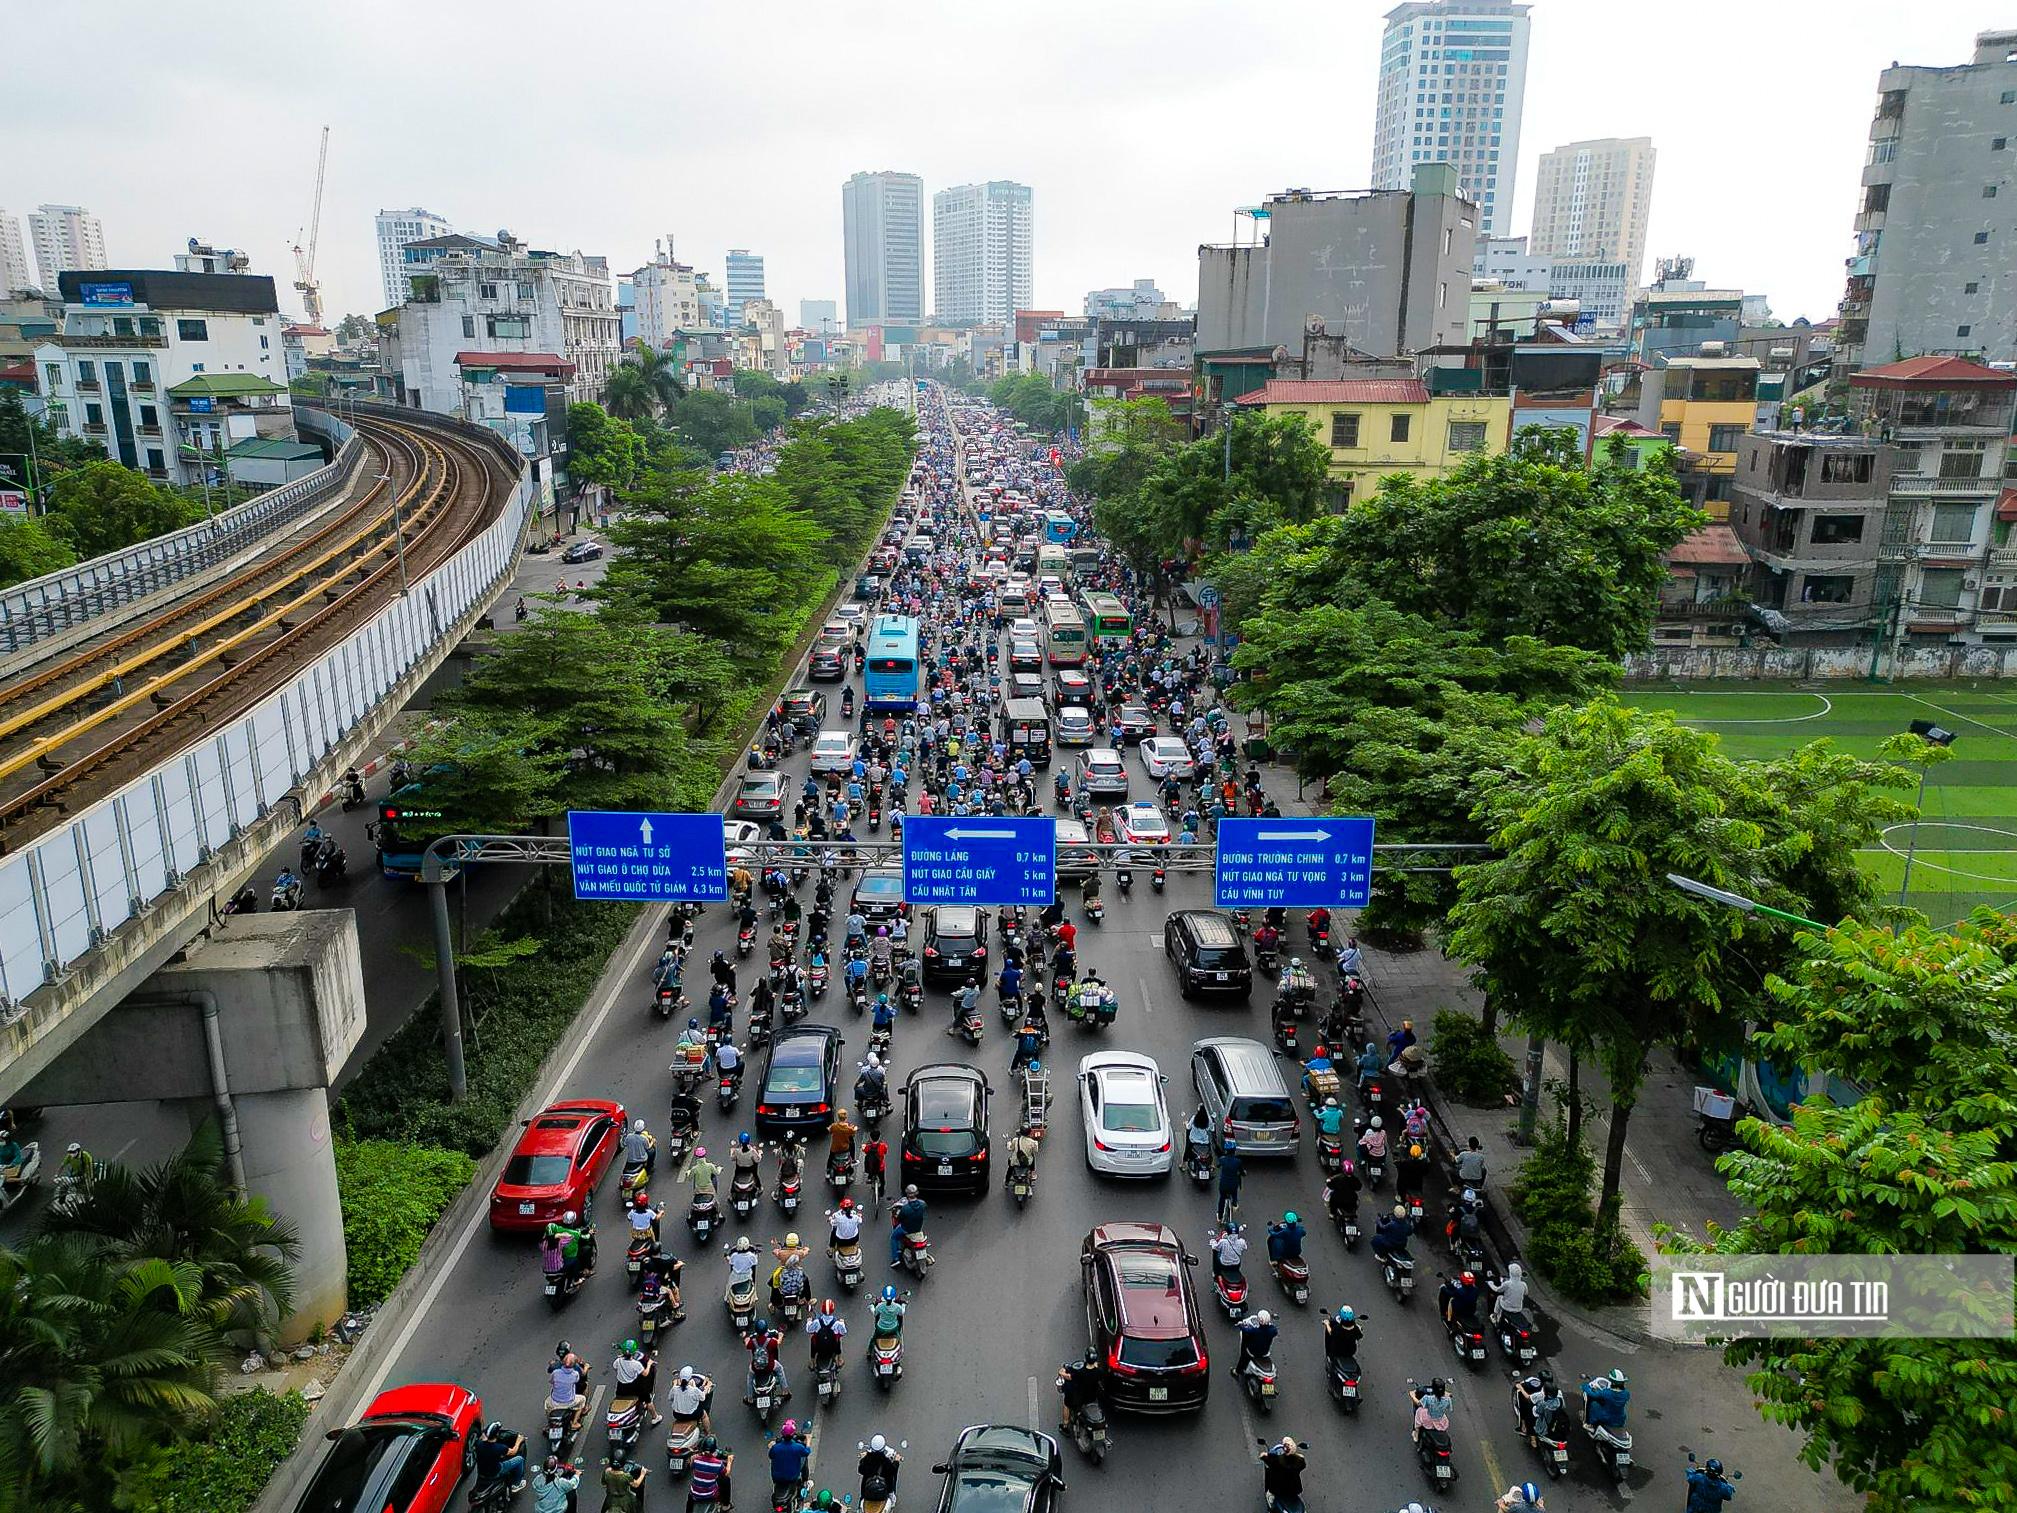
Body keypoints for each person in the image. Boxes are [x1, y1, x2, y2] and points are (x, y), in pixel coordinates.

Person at [1055, 1348, 1106, 1433]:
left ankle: (1065, 1426)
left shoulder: (1080, 1372)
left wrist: (1061, 1373)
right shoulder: (1099, 1372)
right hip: (1092, 1397)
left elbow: (1069, 1376)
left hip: (1078, 1398)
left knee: (1066, 1404)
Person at [473, 1421, 528, 1495]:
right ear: (497, 1434)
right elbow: (513, 1451)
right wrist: (519, 1440)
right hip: (496, 1471)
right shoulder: (500, 1448)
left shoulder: (479, 1444)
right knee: (519, 1459)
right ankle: (516, 1484)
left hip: (482, 1472)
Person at [744, 1319, 790, 1404]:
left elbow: (747, 1344)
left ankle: (749, 1398)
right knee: (780, 1369)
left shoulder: (753, 1341)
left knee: (749, 1377)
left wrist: (745, 1337)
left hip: (756, 1368)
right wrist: (780, 1335)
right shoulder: (771, 1341)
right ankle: (785, 1391)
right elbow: (779, 1342)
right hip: (770, 1366)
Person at [546, 1347, 590, 1433]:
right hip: (569, 1401)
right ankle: (574, 1422)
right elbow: (580, 1379)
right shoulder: (575, 1373)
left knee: (547, 1404)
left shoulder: (555, 1372)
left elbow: (551, 1381)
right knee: (583, 1399)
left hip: (555, 1401)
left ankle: (550, 1424)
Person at [1514, 1370, 1564, 1446]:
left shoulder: (1540, 1397)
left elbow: (1534, 1407)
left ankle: (1531, 1437)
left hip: (1543, 1422)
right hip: (1555, 1417)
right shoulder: (1559, 1395)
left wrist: (1521, 1388)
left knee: (1529, 1415)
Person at [769, 1421, 813, 1505]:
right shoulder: (798, 1447)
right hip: (792, 1477)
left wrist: (771, 1446)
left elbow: (771, 1456)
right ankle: (805, 1481)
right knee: (804, 1458)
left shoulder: (775, 1448)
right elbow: (807, 1451)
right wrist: (808, 1440)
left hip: (776, 1478)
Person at [1259, 1437, 1307, 1510]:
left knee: (1270, 1494)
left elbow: (1264, 1457)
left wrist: (1264, 1455)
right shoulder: (1299, 1460)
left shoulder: (1276, 1460)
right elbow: (1303, 1465)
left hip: (1278, 1488)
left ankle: (1271, 1506)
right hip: (1294, 1488)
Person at [687, 1435, 731, 1513]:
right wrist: (730, 1461)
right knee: (726, 1479)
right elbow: (726, 1473)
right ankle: (725, 1506)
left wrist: (692, 1459)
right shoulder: (718, 1464)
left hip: (694, 1495)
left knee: (690, 1499)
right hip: (710, 1495)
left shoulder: (696, 1460)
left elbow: (691, 1466)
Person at [602, 1443, 649, 1512]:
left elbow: (603, 1484)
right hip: (625, 1501)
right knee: (638, 1508)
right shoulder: (626, 1476)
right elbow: (636, 1484)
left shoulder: (606, 1472)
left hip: (611, 1499)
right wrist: (642, 1473)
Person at [667, 1365, 713, 1434]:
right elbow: (703, 1398)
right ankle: (708, 1433)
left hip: (677, 1415)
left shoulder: (675, 1389)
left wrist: (674, 1385)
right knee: (704, 1415)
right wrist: (708, 1386)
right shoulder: (694, 1390)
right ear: (690, 1378)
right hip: (692, 1414)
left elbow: (669, 1398)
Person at [1233, 1308, 1279, 1377]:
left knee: (1243, 1357)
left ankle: (1237, 1371)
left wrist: (1241, 1325)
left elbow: (1246, 1330)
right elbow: (1274, 1330)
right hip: (1265, 1352)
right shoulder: (1273, 1330)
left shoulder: (1255, 1331)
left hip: (1252, 1352)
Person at [889, 1184, 926, 1267]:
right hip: (918, 1229)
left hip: (906, 1229)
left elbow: (899, 1219)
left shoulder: (905, 1209)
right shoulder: (923, 1204)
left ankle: (895, 1259)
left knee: (893, 1237)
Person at [857, 1435, 902, 1502]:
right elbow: (892, 1470)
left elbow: (860, 1470)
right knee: (891, 1477)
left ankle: (862, 1499)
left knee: (862, 1496)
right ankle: (891, 1495)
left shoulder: (867, 1459)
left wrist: (862, 1459)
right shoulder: (886, 1461)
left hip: (867, 1488)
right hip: (885, 1486)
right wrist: (896, 1461)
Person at [807, 1297, 847, 1369]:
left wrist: (809, 1321)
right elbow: (843, 1332)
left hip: (819, 1348)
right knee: (838, 1339)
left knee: (813, 1339)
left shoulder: (817, 1322)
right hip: (832, 1348)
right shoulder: (837, 1323)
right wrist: (842, 1323)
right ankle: (839, 1359)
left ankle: (813, 1362)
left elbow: (809, 1330)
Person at [1411, 1377, 1454, 1445]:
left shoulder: (1428, 1398)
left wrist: (1412, 1395)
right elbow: (1449, 1406)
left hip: (1428, 1420)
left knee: (1419, 1411)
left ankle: (1416, 1433)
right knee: (1443, 1415)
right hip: (1440, 1420)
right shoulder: (1447, 1399)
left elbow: (1418, 1403)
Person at [1004, 1123, 1041, 1189]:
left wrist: (1008, 1142)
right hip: (1027, 1163)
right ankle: (1032, 1173)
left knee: (1010, 1169)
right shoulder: (1032, 1142)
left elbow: (1010, 1148)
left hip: (1015, 1162)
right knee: (1032, 1155)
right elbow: (1036, 1150)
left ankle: (1006, 1182)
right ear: (1029, 1133)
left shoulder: (1015, 1140)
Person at [1211, 1222, 1248, 1287]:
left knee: (1215, 1252)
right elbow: (1245, 1247)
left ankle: (1215, 1273)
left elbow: (1215, 1247)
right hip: (1236, 1265)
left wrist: (1213, 1242)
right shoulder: (1241, 1242)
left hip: (1224, 1264)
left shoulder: (1223, 1242)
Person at [1325, 1160, 1362, 1224]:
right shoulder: (1355, 1179)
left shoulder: (1339, 1179)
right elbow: (1359, 1187)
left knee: (1332, 1199)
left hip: (1339, 1201)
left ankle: (1332, 1214)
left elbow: (1330, 1185)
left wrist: (1328, 1182)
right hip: (1351, 1201)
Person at [1217, 1141, 1244, 1223]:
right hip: (1233, 1185)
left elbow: (1218, 1165)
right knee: (1234, 1193)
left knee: (1222, 1198)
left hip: (1223, 1185)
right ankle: (1235, 1204)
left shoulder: (1222, 1160)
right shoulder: (1238, 1161)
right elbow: (1242, 1172)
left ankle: (1220, 1217)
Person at [862, 1133, 889, 1210]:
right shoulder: (883, 1145)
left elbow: (864, 1150)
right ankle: (881, 1191)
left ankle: (870, 1178)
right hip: (880, 1168)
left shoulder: (868, 1146)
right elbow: (885, 1151)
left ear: (871, 1138)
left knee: (871, 1172)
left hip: (871, 1168)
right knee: (882, 1181)